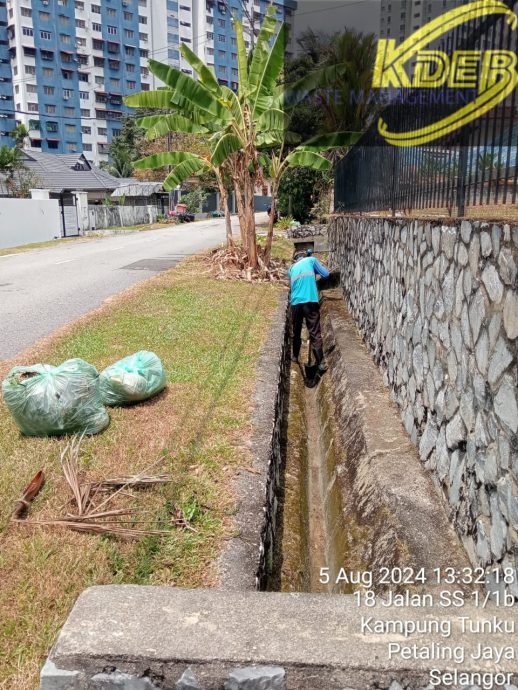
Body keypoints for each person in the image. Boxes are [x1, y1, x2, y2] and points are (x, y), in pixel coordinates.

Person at [288, 248, 330, 372]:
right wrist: (314, 274)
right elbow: (326, 274)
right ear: (305, 256)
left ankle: (295, 357)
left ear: (295, 259)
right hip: (310, 300)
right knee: (314, 331)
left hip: (295, 303)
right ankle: (321, 363)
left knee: (296, 331)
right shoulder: (311, 260)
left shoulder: (291, 269)